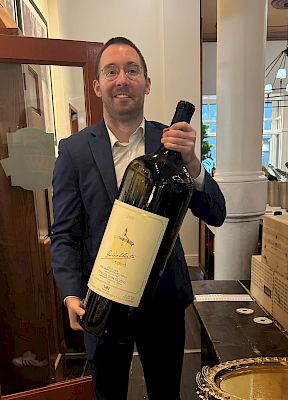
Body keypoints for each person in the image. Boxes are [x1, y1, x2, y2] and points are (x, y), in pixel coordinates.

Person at [51, 37, 226, 400]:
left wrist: (193, 164)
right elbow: (65, 233)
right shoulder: (73, 151)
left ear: (147, 83)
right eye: (111, 71)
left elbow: (217, 214)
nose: (122, 79)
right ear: (97, 85)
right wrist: (70, 293)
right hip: (101, 298)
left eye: (132, 70)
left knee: (166, 393)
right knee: (109, 393)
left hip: (162, 301)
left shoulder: (174, 145)